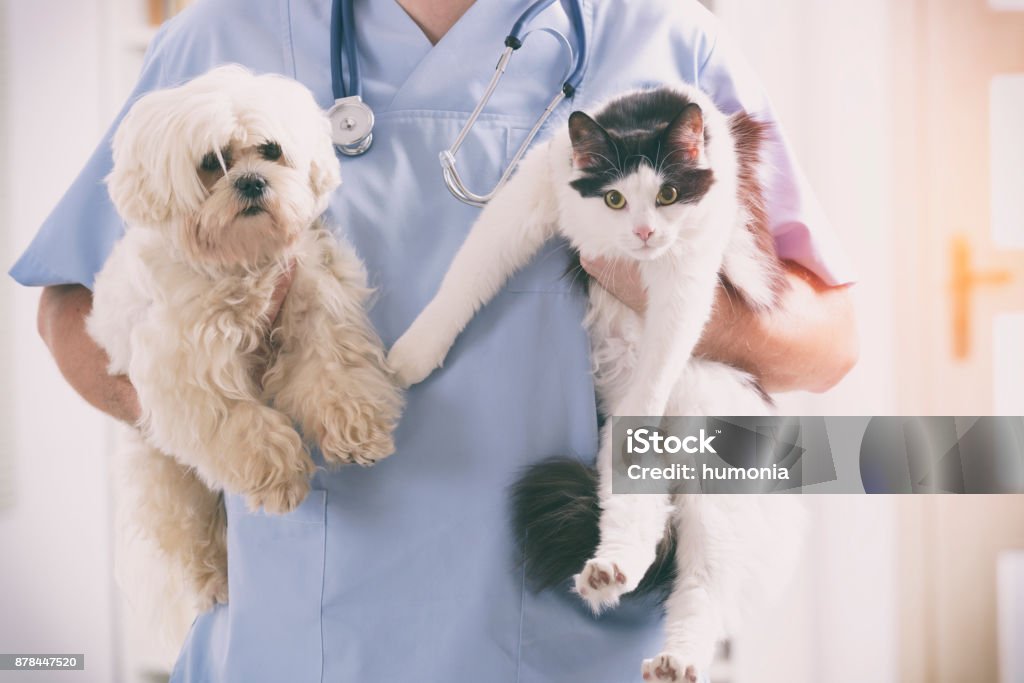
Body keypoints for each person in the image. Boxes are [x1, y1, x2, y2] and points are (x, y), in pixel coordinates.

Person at [15, 0, 857, 680]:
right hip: (302, 648)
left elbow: (830, 344)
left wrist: (670, 300)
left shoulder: (662, 37)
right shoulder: (219, 37)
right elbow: (68, 307)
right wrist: (196, 412)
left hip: (590, 642)